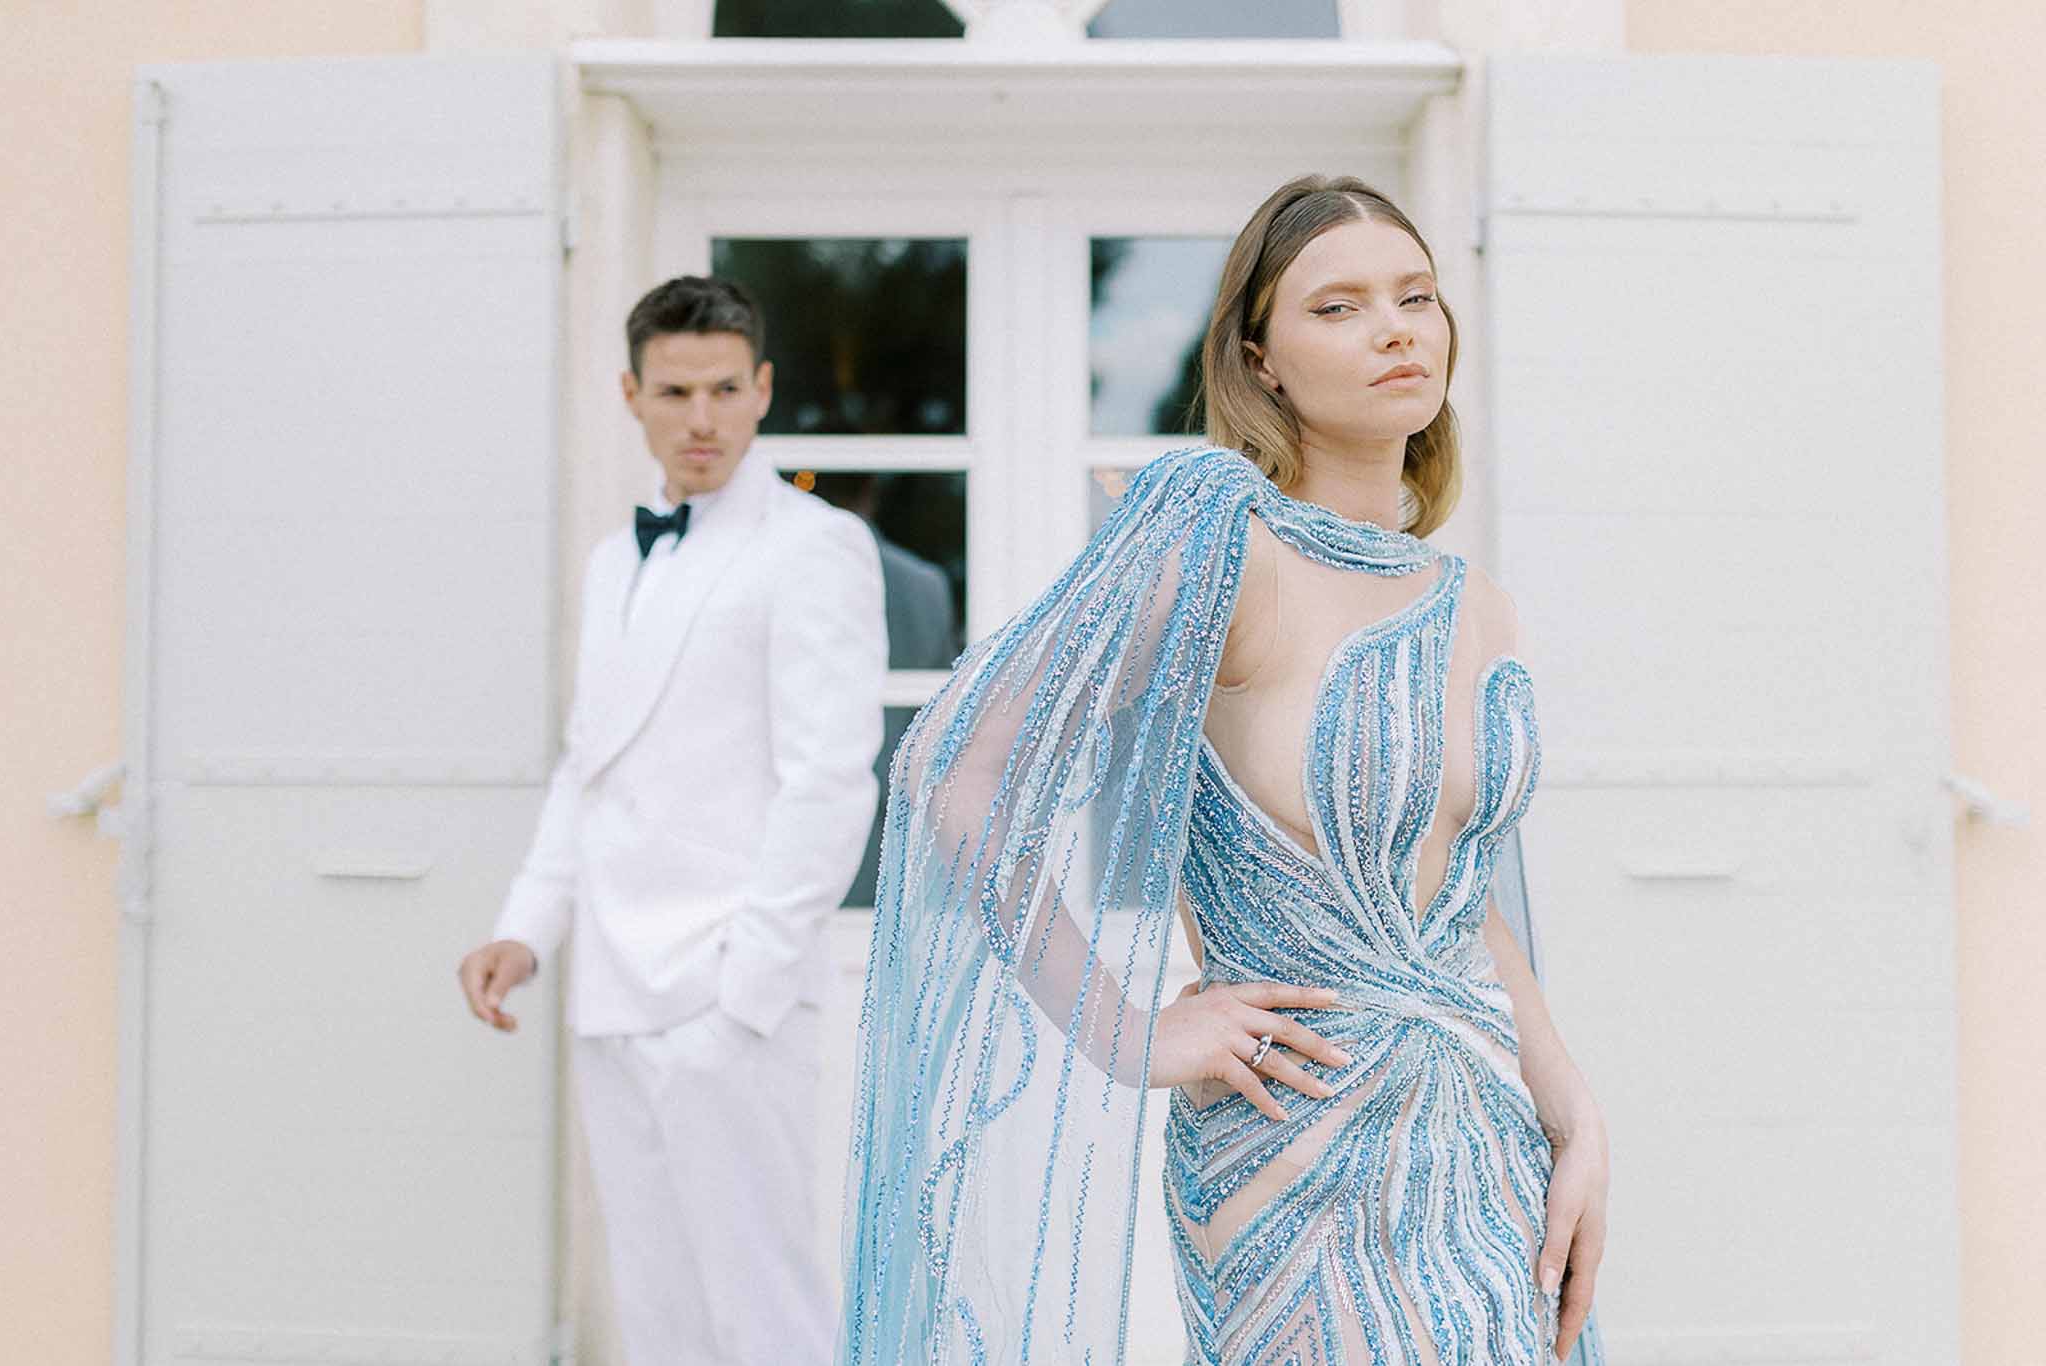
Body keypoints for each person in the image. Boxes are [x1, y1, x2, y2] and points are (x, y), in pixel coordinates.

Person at [838, 176, 1609, 1365]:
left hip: (1486, 1147)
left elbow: (1464, 905)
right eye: (1338, 306)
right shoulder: (1217, 538)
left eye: (1415, 296)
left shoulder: (1476, 604)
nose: (1395, 327)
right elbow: (956, 769)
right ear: (1260, 360)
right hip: (1293, 1155)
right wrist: (1127, 1032)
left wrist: (1572, 1113)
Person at [456, 276, 887, 1366]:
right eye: (676, 390)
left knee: (765, 1309)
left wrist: (742, 988)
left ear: (762, 391)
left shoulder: (813, 544)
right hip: (612, 986)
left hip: (725, 995)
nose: (701, 418)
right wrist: (526, 925)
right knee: (658, 1311)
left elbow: (831, 779)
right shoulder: (615, 562)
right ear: (630, 393)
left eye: (725, 389)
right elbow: (589, 763)